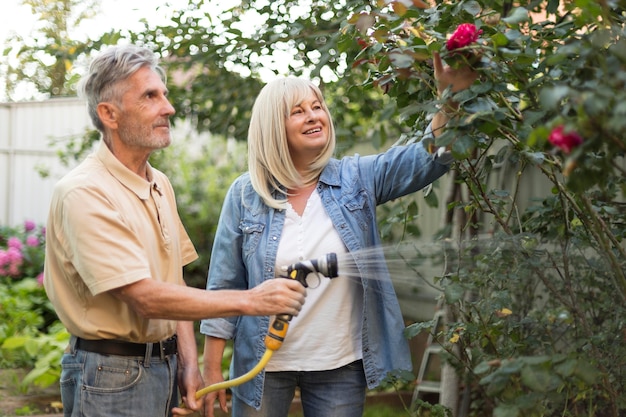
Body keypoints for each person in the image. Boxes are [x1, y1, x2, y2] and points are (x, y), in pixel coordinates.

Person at [199, 51, 477, 417]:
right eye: (298, 111)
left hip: (339, 364)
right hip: (264, 365)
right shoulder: (245, 194)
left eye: (317, 107)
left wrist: (449, 102)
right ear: (272, 127)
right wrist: (210, 367)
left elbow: (429, 158)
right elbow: (224, 286)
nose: (314, 116)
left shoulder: (356, 179)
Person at [43, 44, 306, 417]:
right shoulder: (84, 192)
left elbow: (174, 282)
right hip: (111, 376)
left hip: (161, 367)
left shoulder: (159, 183)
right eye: (150, 96)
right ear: (109, 114)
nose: (168, 107)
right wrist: (252, 301)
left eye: (164, 95)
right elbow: (146, 298)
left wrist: (187, 362)